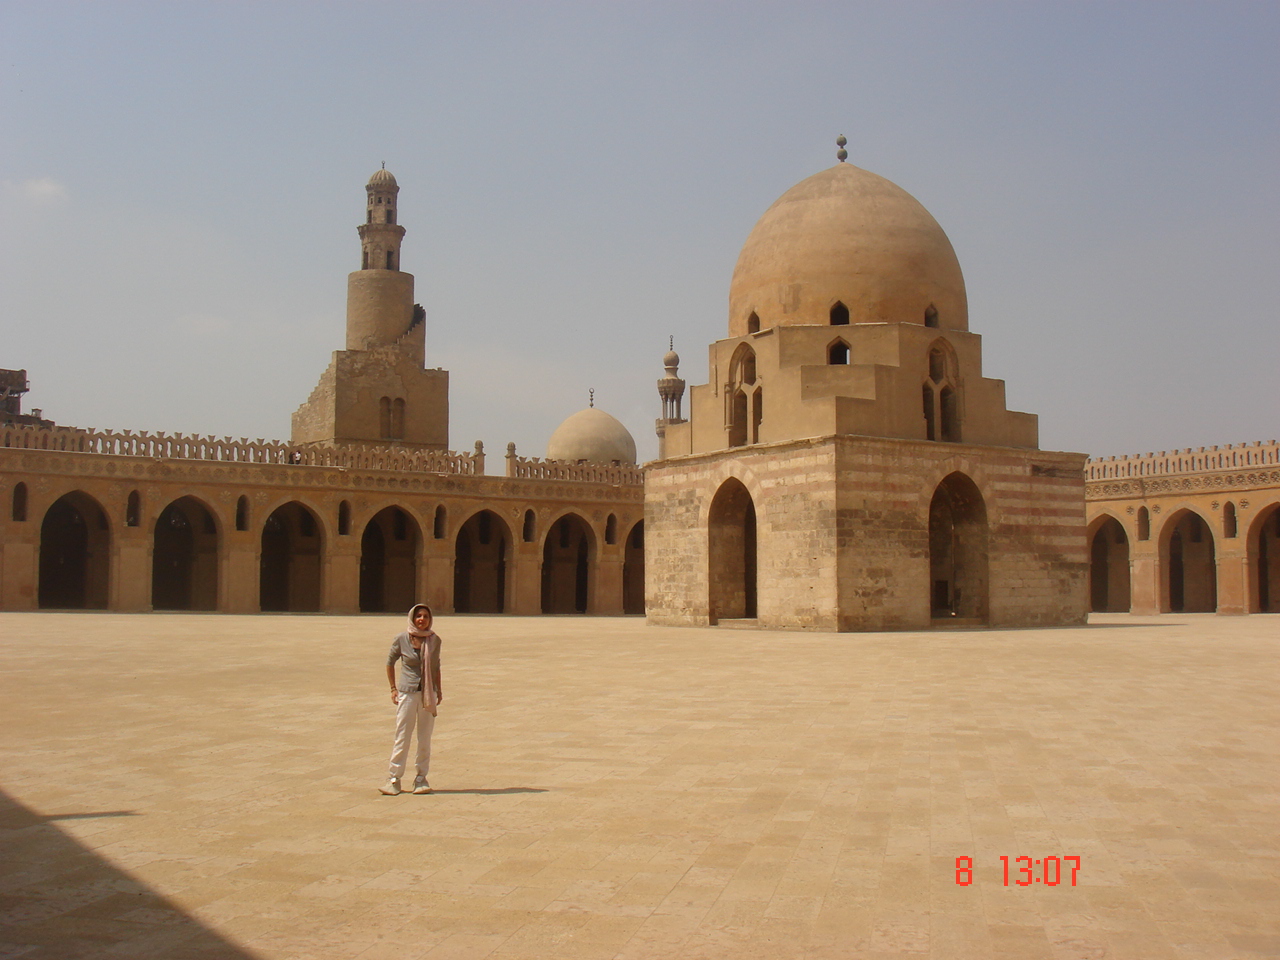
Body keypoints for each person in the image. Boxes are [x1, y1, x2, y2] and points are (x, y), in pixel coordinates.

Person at [380, 603, 442, 795]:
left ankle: (421, 778)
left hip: (427, 694)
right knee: (402, 736)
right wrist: (393, 688)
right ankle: (394, 778)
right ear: (412, 618)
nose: (422, 619)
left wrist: (438, 690)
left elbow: (436, 666)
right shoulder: (402, 639)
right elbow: (390, 662)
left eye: (425, 616)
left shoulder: (435, 640)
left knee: (424, 738)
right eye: (418, 616)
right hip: (407, 693)